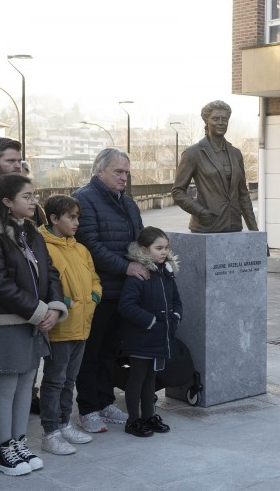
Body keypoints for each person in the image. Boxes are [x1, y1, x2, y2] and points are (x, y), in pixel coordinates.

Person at [0, 174, 67, 476]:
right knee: (4, 387)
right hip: (5, 323)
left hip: (33, 319)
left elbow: (50, 271)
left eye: (33, 195)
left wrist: (55, 306)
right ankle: (3, 450)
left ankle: (18, 441)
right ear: (6, 201)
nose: (33, 201)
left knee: (26, 385)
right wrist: (39, 310)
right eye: (26, 196)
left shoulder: (30, 232)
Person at [73, 148, 144, 434]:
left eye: (126, 172)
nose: (124, 177)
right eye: (118, 171)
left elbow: (138, 239)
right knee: (90, 353)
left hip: (122, 292)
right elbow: (90, 244)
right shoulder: (83, 199)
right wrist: (125, 268)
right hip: (97, 291)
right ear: (99, 170)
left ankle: (105, 402)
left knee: (109, 352)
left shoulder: (127, 203)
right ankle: (88, 408)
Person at [38, 195, 101, 455]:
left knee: (69, 380)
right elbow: (44, 283)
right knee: (54, 381)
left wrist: (95, 296)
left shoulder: (80, 248)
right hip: (61, 327)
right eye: (70, 217)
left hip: (82, 325)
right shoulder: (43, 246)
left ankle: (64, 423)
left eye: (77, 217)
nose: (76, 223)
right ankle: (50, 431)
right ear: (54, 219)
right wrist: (64, 302)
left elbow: (94, 277)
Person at [117, 227, 182, 437]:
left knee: (151, 378)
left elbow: (176, 301)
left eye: (166, 248)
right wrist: (151, 320)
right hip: (142, 337)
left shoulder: (166, 273)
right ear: (145, 250)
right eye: (158, 248)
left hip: (160, 337)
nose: (164, 252)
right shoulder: (139, 276)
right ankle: (133, 420)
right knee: (137, 378)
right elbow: (126, 305)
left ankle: (149, 415)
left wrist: (175, 318)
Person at [171, 100, 258, 233]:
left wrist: (255, 232)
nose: (221, 123)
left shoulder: (236, 154)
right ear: (206, 121)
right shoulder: (193, 153)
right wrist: (200, 211)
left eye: (224, 119)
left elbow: (243, 195)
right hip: (207, 225)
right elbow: (177, 191)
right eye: (215, 119)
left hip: (233, 225)